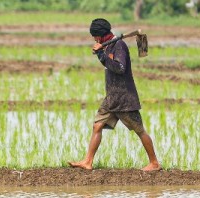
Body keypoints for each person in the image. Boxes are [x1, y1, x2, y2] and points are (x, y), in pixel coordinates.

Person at [69, 18, 161, 172]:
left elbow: (120, 68)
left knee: (139, 130)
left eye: (95, 36)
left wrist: (101, 55)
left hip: (124, 98)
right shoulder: (109, 46)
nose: (94, 39)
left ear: (99, 36)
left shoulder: (119, 45)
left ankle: (154, 163)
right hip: (111, 98)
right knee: (97, 126)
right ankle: (87, 161)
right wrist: (102, 54)